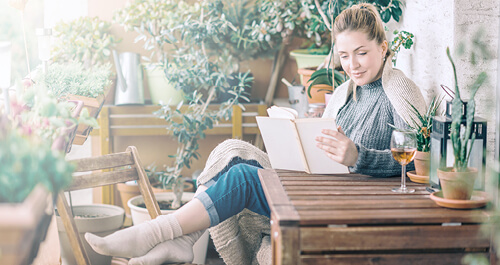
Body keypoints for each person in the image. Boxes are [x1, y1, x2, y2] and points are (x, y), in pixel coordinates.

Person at [84, 3, 426, 265]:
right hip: (322, 188)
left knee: (244, 178)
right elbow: (329, 147)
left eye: (362, 53)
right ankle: (182, 241)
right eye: (344, 56)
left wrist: (358, 157)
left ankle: (157, 233)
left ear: (383, 47)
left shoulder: (398, 88)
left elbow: (419, 163)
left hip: (347, 204)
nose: (353, 65)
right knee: (233, 155)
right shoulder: (346, 92)